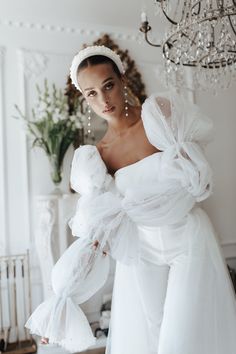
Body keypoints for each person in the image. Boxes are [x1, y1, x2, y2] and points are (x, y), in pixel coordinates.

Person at [26, 45, 236, 354]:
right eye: (92, 93)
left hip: (187, 239)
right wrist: (63, 301)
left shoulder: (159, 116)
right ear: (85, 99)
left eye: (108, 85)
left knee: (180, 339)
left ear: (123, 80)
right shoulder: (99, 156)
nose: (103, 100)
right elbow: (98, 231)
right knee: (152, 331)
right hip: (142, 251)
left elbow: (199, 176)